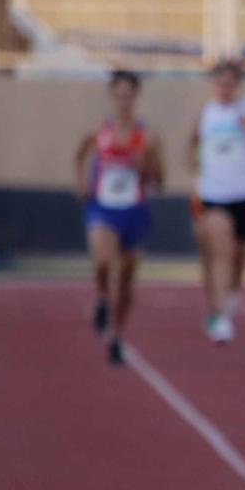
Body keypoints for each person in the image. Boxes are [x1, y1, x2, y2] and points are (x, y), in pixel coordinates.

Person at [74, 69, 163, 366]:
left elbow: (159, 181)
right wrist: (81, 182)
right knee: (103, 260)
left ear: (136, 96)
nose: (124, 101)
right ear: (112, 95)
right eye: (119, 95)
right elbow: (80, 154)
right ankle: (101, 298)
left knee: (126, 281)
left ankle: (116, 335)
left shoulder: (148, 136)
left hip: (134, 212)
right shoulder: (99, 130)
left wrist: (146, 165)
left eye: (129, 95)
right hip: (103, 207)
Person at [190, 58, 245, 344]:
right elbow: (191, 146)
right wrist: (198, 176)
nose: (224, 90)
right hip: (213, 197)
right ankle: (220, 317)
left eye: (230, 85)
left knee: (239, 261)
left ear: (238, 86)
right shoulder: (205, 115)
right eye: (219, 84)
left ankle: (229, 298)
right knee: (221, 251)